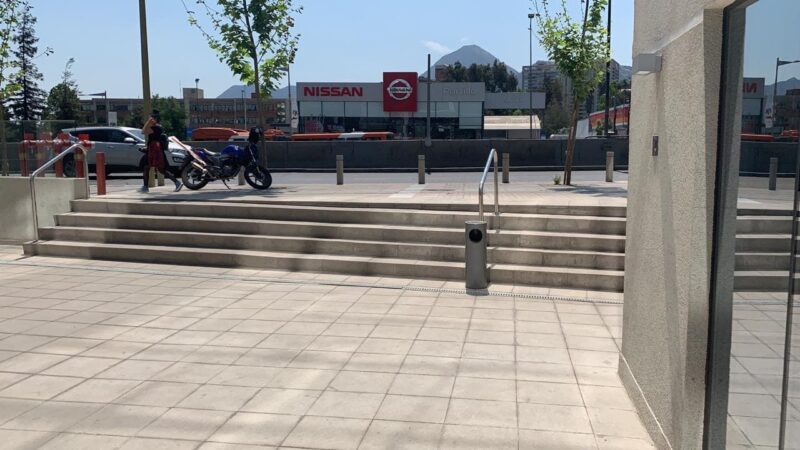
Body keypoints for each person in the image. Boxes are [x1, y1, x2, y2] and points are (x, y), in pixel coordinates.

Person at [139, 110, 182, 193]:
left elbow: (143, 131)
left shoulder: (156, 128)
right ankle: (177, 183)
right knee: (151, 168)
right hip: (154, 150)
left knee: (158, 169)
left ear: (155, 119)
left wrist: (148, 122)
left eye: (151, 118)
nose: (150, 119)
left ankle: (177, 182)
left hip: (155, 151)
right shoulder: (158, 127)